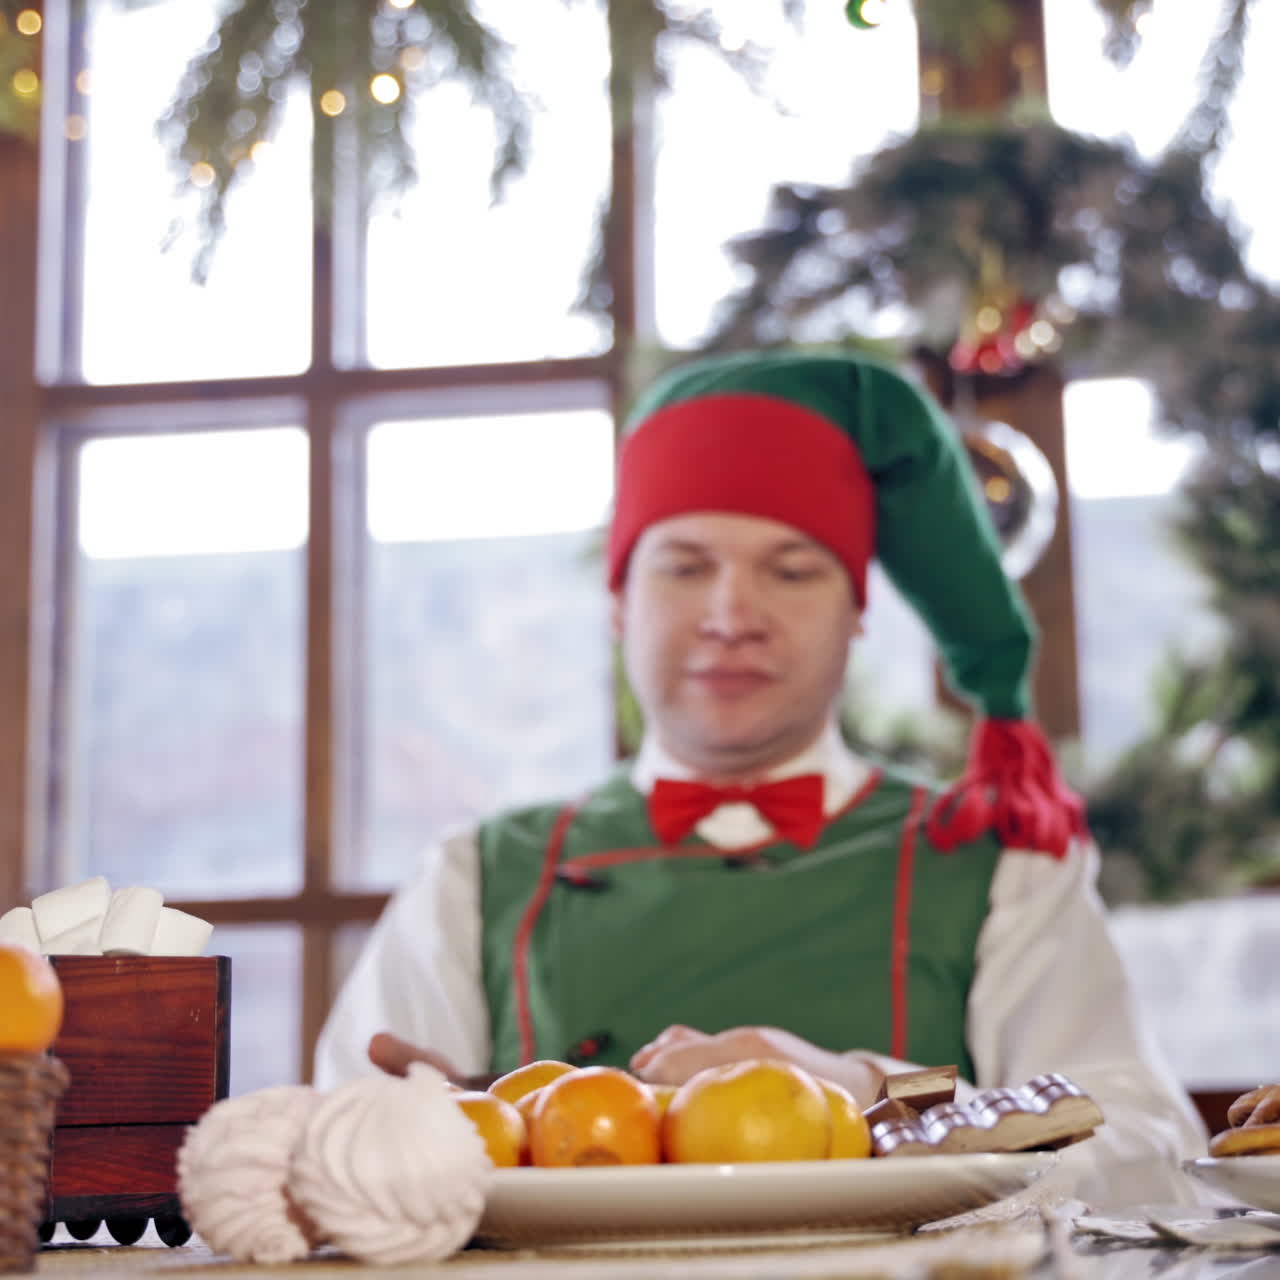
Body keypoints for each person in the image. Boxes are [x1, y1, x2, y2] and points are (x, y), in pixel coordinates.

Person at [315, 348, 1206, 1207]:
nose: (732, 616)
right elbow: (334, 1155)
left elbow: (1147, 1146)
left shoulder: (996, 864)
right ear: (620, 603)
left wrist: (865, 1089)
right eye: (686, 567)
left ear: (857, 609)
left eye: (790, 570)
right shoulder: (476, 876)